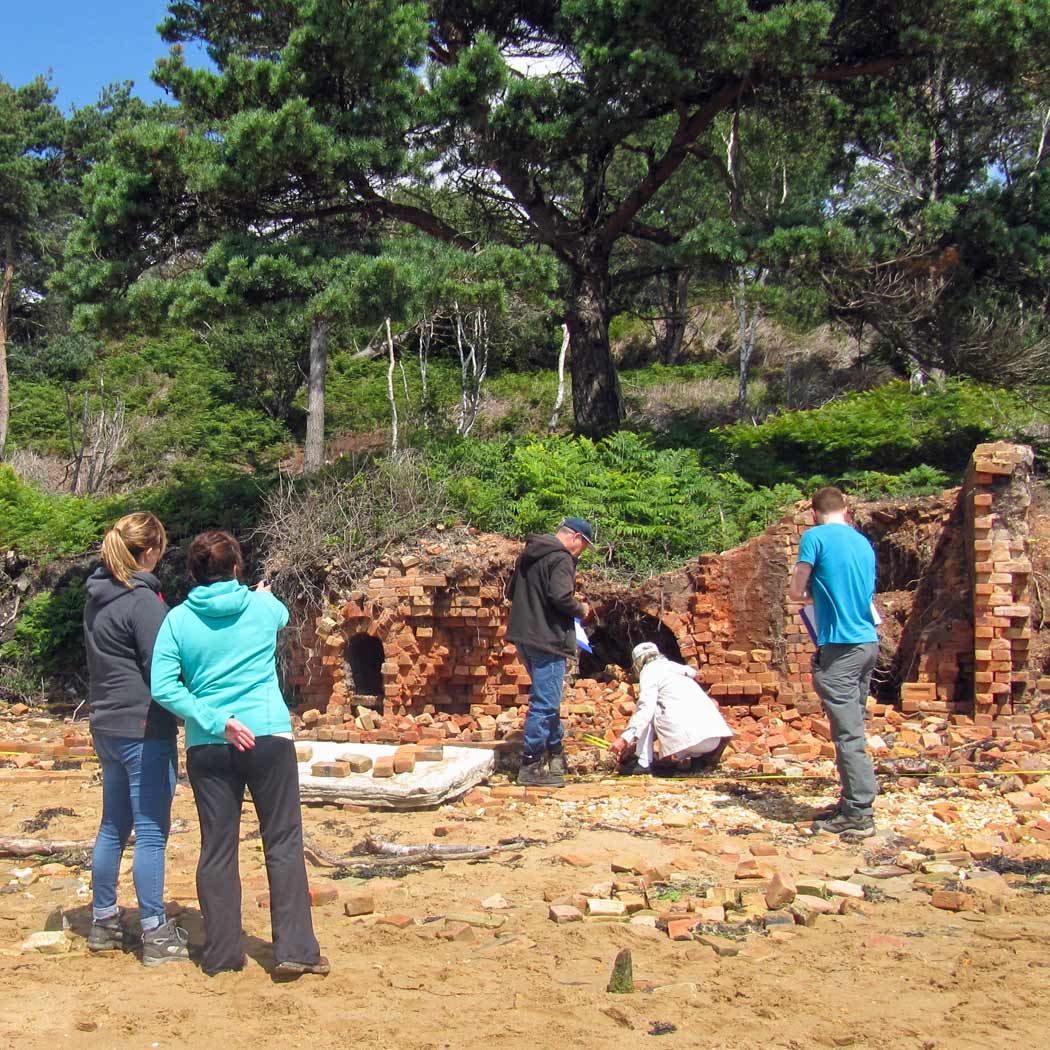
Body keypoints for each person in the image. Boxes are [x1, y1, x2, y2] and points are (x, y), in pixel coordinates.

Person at [150, 531, 327, 978]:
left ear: (192, 572)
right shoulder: (263, 606)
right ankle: (296, 950)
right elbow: (280, 612)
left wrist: (213, 720)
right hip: (268, 733)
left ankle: (224, 953)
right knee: (283, 842)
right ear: (237, 567)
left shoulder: (177, 620)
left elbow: (164, 686)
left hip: (210, 742)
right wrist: (256, 593)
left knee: (218, 848)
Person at [83, 512, 189, 966]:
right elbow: (161, 671)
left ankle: (104, 921)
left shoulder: (96, 597)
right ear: (149, 552)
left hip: (106, 726)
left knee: (113, 825)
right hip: (143, 729)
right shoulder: (144, 602)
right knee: (150, 832)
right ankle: (155, 931)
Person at [789, 486, 879, 839]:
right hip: (868, 642)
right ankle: (853, 801)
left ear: (814, 513)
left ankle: (859, 812)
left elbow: (797, 591)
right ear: (847, 509)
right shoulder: (863, 543)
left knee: (848, 735)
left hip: (839, 646)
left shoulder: (814, 537)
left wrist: (812, 594)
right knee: (854, 729)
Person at [506, 517, 594, 787]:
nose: (582, 553)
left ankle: (556, 754)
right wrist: (583, 610)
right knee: (544, 704)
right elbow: (561, 597)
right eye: (584, 547)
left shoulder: (528, 554)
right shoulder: (561, 558)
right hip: (549, 639)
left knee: (548, 699)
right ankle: (531, 765)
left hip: (524, 636)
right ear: (576, 538)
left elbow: (510, 592)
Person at [610, 643, 733, 774]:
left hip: (688, 741)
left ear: (638, 663)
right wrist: (634, 746)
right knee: (684, 705)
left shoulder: (650, 672)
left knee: (648, 711)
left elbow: (645, 709)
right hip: (714, 739)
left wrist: (624, 739)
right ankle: (698, 761)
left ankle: (643, 762)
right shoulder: (678, 671)